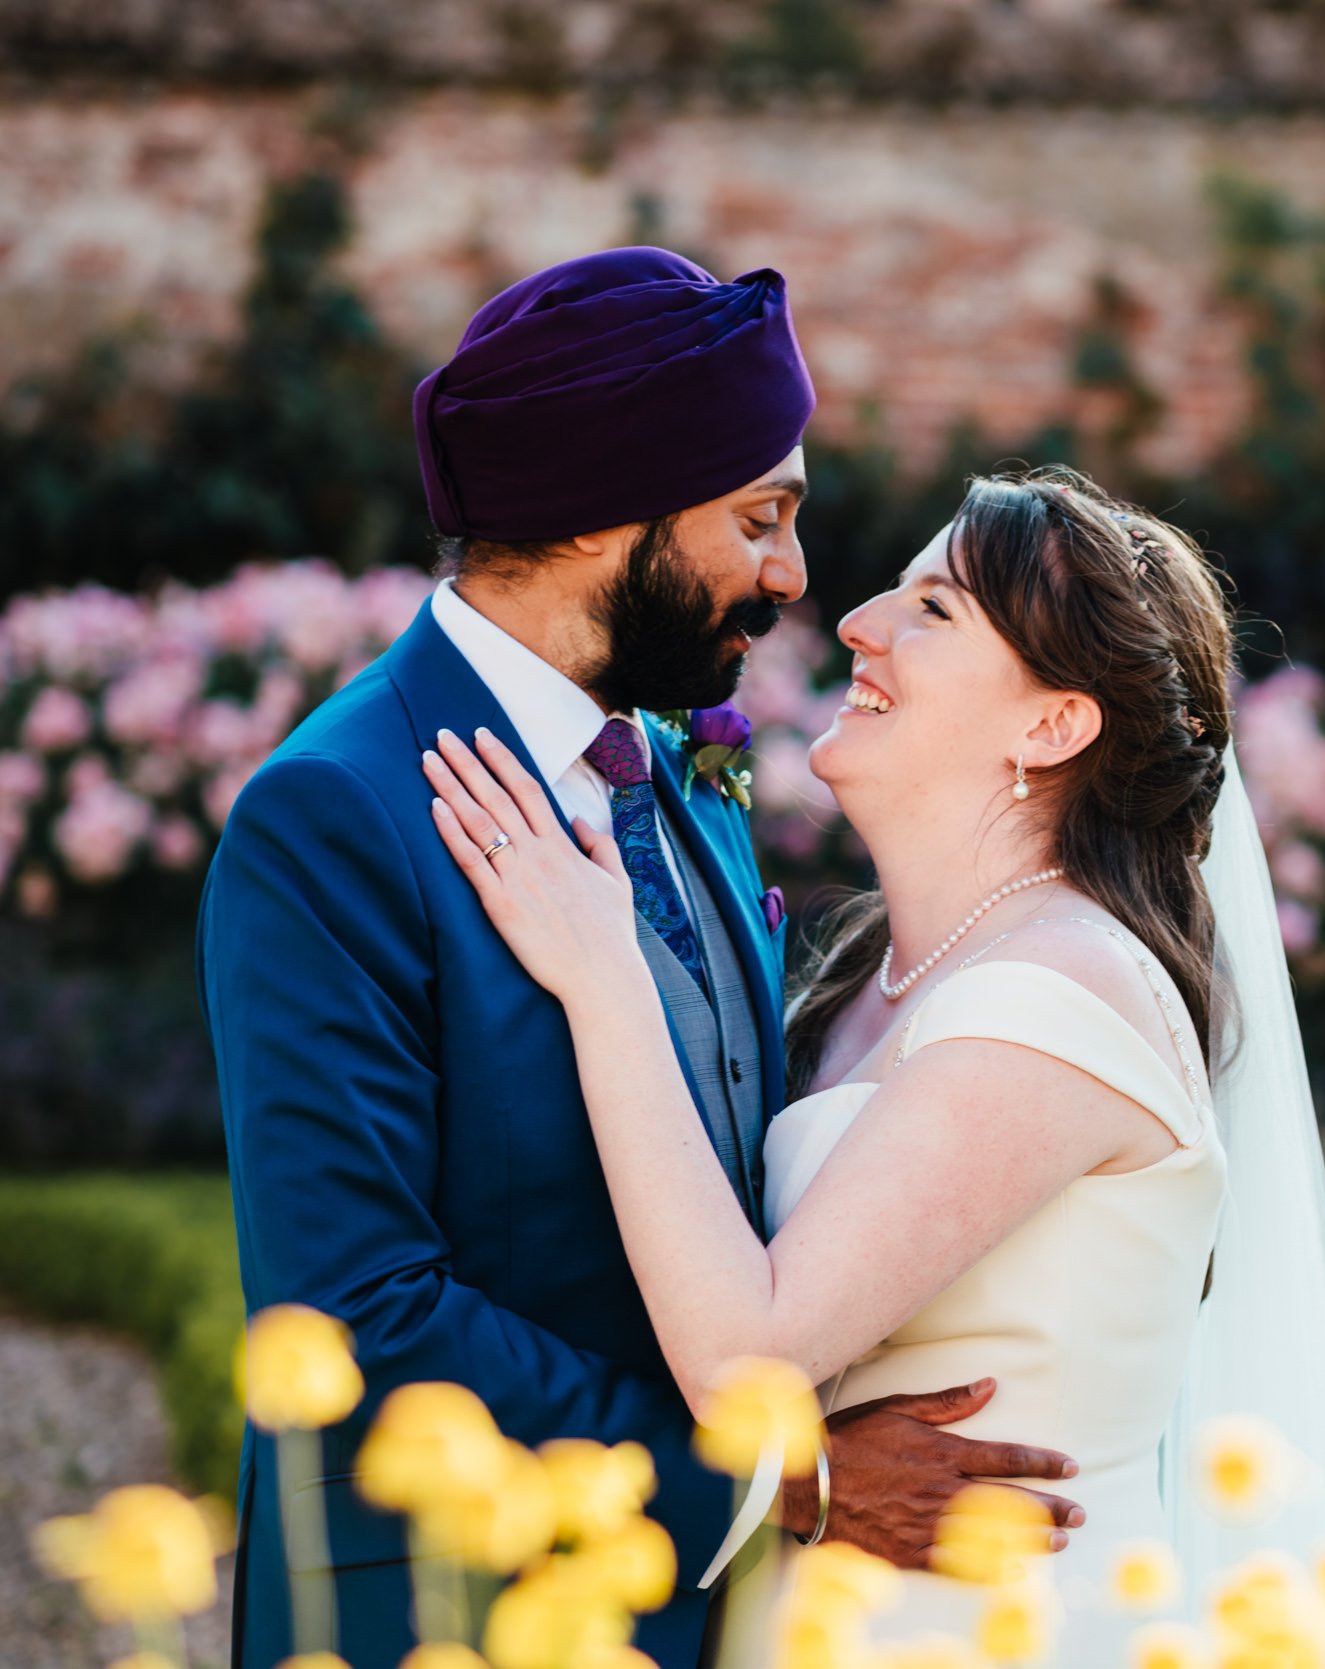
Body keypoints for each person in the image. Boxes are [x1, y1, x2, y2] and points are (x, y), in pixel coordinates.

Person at [201, 248, 1077, 1669]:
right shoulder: (339, 814)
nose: (793, 577)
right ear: (608, 516)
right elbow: (353, 1315)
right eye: (759, 518)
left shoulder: (669, 763)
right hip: (447, 1618)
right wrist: (787, 1478)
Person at [422, 467, 1325, 1664]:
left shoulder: (1063, 990)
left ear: (1052, 724)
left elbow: (747, 1356)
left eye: (932, 610)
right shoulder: (874, 975)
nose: (857, 622)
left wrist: (602, 972)